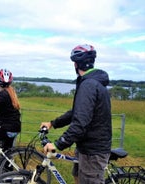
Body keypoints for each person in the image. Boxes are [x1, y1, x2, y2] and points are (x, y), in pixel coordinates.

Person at [40, 44, 112, 184]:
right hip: (86, 146)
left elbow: (80, 124)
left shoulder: (88, 85)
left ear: (75, 64)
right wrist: (53, 124)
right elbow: (76, 112)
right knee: (77, 177)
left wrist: (58, 144)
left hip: (93, 151)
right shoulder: (92, 82)